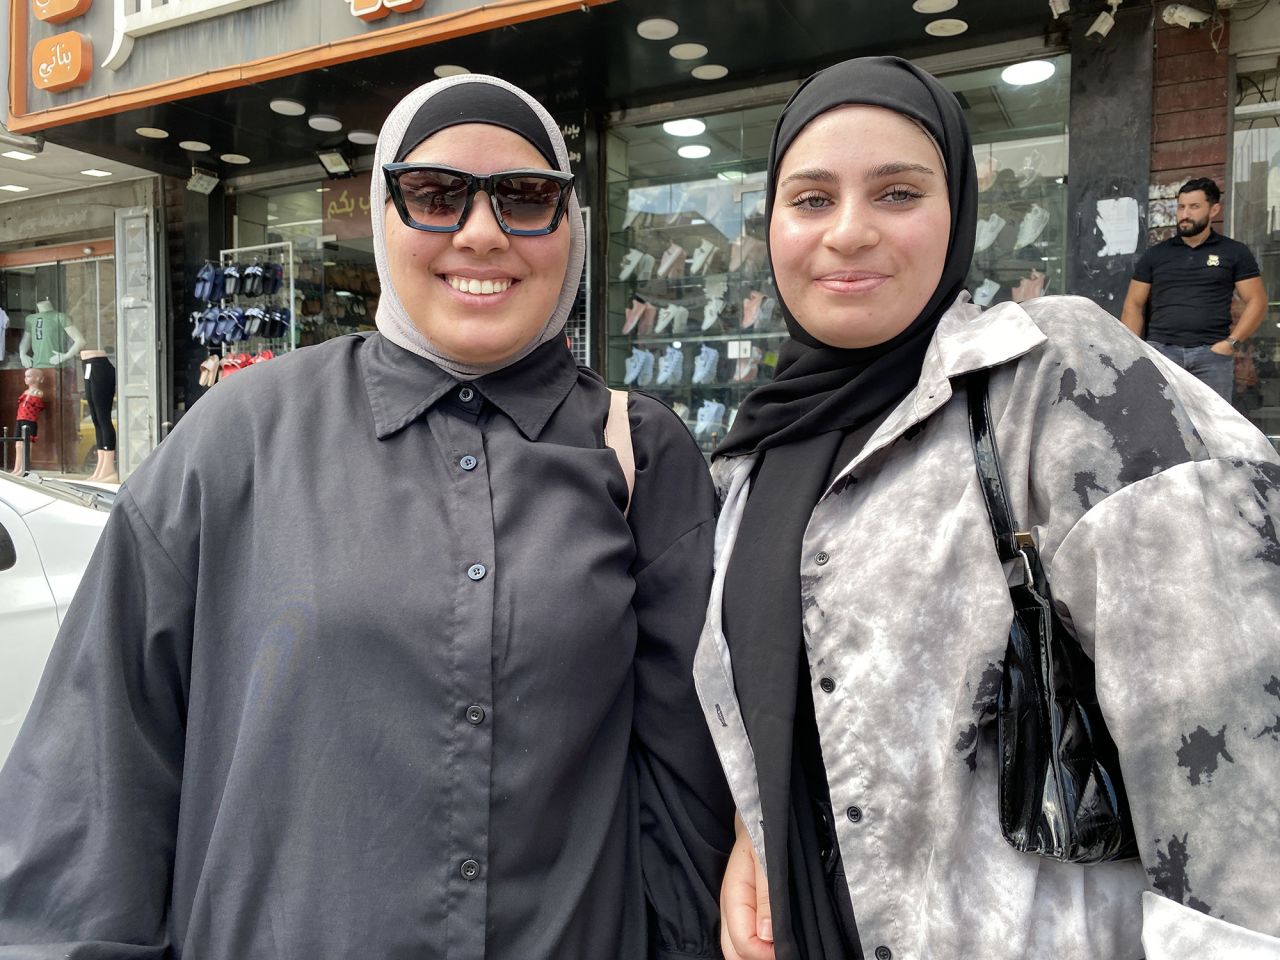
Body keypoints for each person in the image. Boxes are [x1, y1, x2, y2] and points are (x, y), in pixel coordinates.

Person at [0, 74, 733, 959]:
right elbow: (99, 780)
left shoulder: (641, 454)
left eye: (526, 198)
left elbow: (690, 795)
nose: (482, 233)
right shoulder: (239, 440)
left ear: (569, 224)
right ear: (382, 215)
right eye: (434, 195)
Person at [694, 56, 1280, 960]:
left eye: (896, 193)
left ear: (959, 209)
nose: (846, 233)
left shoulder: (1063, 379)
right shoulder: (763, 445)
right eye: (811, 199)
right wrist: (753, 833)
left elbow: (1237, 746)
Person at [1121, 177, 1267, 402]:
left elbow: (1256, 301)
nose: (1184, 214)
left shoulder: (1234, 252)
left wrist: (1231, 343)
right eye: (1181, 207)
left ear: (1214, 209)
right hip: (1161, 353)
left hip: (1212, 356)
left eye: (1194, 206)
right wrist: (1133, 349)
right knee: (1160, 422)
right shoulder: (1156, 255)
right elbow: (1134, 303)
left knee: (1213, 429)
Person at [9, 367, 45, 476]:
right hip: (20, 419)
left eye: (29, 376)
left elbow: (36, 398)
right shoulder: (26, 392)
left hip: (29, 421)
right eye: (26, 376)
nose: (26, 379)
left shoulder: (38, 392)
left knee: (26, 445)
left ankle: (23, 468)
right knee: (18, 444)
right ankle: (17, 467)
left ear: (38, 378)